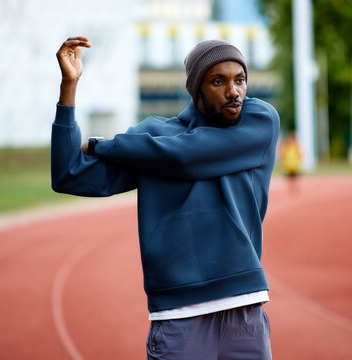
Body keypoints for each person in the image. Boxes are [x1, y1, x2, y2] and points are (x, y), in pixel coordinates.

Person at [52, 36, 280, 359]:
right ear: (197, 88)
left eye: (240, 80)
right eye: (219, 81)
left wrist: (102, 144)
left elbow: (185, 157)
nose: (234, 92)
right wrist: (69, 87)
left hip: (244, 311)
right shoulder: (153, 139)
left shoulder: (259, 121)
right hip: (177, 315)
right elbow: (68, 174)